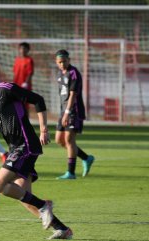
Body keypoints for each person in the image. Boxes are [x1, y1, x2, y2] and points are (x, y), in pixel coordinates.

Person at [0, 61, 73, 239]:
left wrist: (43, 129)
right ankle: (62, 229)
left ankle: (44, 205)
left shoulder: (6, 89)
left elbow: (38, 100)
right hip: (15, 148)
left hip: (26, 144)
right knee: (25, 198)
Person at [54, 49, 95, 180]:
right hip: (64, 111)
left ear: (69, 60)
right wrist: (62, 112)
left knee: (69, 140)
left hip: (73, 111)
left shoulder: (74, 73)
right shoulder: (59, 75)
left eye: (64, 61)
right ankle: (86, 158)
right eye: (59, 62)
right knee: (59, 140)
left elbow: (72, 95)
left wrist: (67, 112)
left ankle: (70, 173)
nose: (62, 64)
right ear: (56, 62)